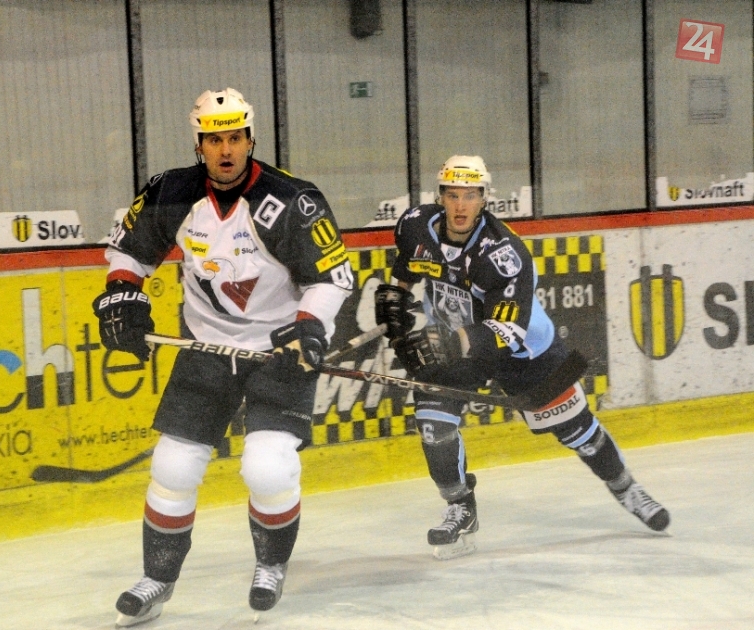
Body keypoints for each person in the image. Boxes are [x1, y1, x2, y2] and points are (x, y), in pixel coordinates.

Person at [94, 88, 354, 626]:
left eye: (235, 137)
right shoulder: (172, 192)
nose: (226, 149)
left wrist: (309, 328)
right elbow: (128, 249)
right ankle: (157, 579)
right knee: (172, 466)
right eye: (214, 140)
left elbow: (332, 277)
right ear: (199, 144)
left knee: (267, 468)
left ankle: (271, 565)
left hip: (278, 351)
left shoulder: (293, 200)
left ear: (250, 139)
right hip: (205, 348)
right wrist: (122, 291)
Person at [375, 155, 670, 559]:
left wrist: (448, 342)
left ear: (485, 199)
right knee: (434, 428)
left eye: (470, 196)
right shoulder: (415, 224)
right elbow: (409, 266)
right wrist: (395, 298)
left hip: (523, 351)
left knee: (578, 431)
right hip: (454, 342)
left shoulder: (504, 254)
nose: (461, 205)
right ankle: (461, 507)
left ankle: (626, 488)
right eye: (453, 195)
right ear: (440, 196)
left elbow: (507, 330)